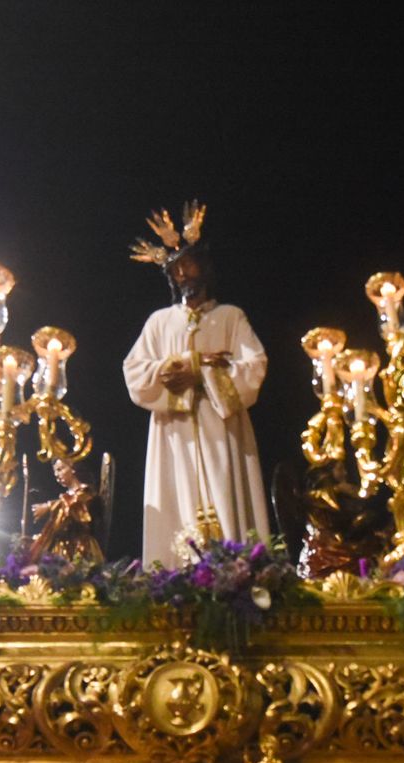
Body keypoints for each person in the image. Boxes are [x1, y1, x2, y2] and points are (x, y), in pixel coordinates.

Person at [123, 201, 270, 565]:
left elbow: (255, 365)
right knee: (177, 504)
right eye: (176, 273)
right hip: (174, 435)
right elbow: (135, 372)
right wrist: (194, 362)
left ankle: (235, 572)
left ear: (204, 270)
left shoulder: (230, 316)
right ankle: (173, 577)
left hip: (222, 428)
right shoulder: (159, 322)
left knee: (225, 497)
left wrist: (203, 375)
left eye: (189, 268)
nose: (184, 276)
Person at [27, 458, 104, 563]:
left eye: (60, 469)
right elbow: (54, 528)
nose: (57, 476)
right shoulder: (64, 498)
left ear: (72, 467)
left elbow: (75, 507)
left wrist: (48, 506)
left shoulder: (85, 491)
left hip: (80, 546)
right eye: (55, 473)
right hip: (61, 550)